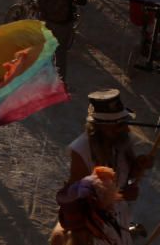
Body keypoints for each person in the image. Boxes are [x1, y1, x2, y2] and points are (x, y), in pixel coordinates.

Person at [49, 90, 154, 245]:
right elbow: (75, 197)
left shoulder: (122, 139)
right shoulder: (82, 149)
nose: (125, 129)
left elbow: (127, 174)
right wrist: (121, 195)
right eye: (118, 125)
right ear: (101, 126)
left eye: (125, 123)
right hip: (96, 226)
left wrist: (138, 167)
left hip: (119, 217)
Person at [39, 0, 88, 85]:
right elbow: (83, 1)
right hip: (63, 21)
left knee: (47, 49)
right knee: (60, 53)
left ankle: (43, 80)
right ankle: (60, 84)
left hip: (46, 19)